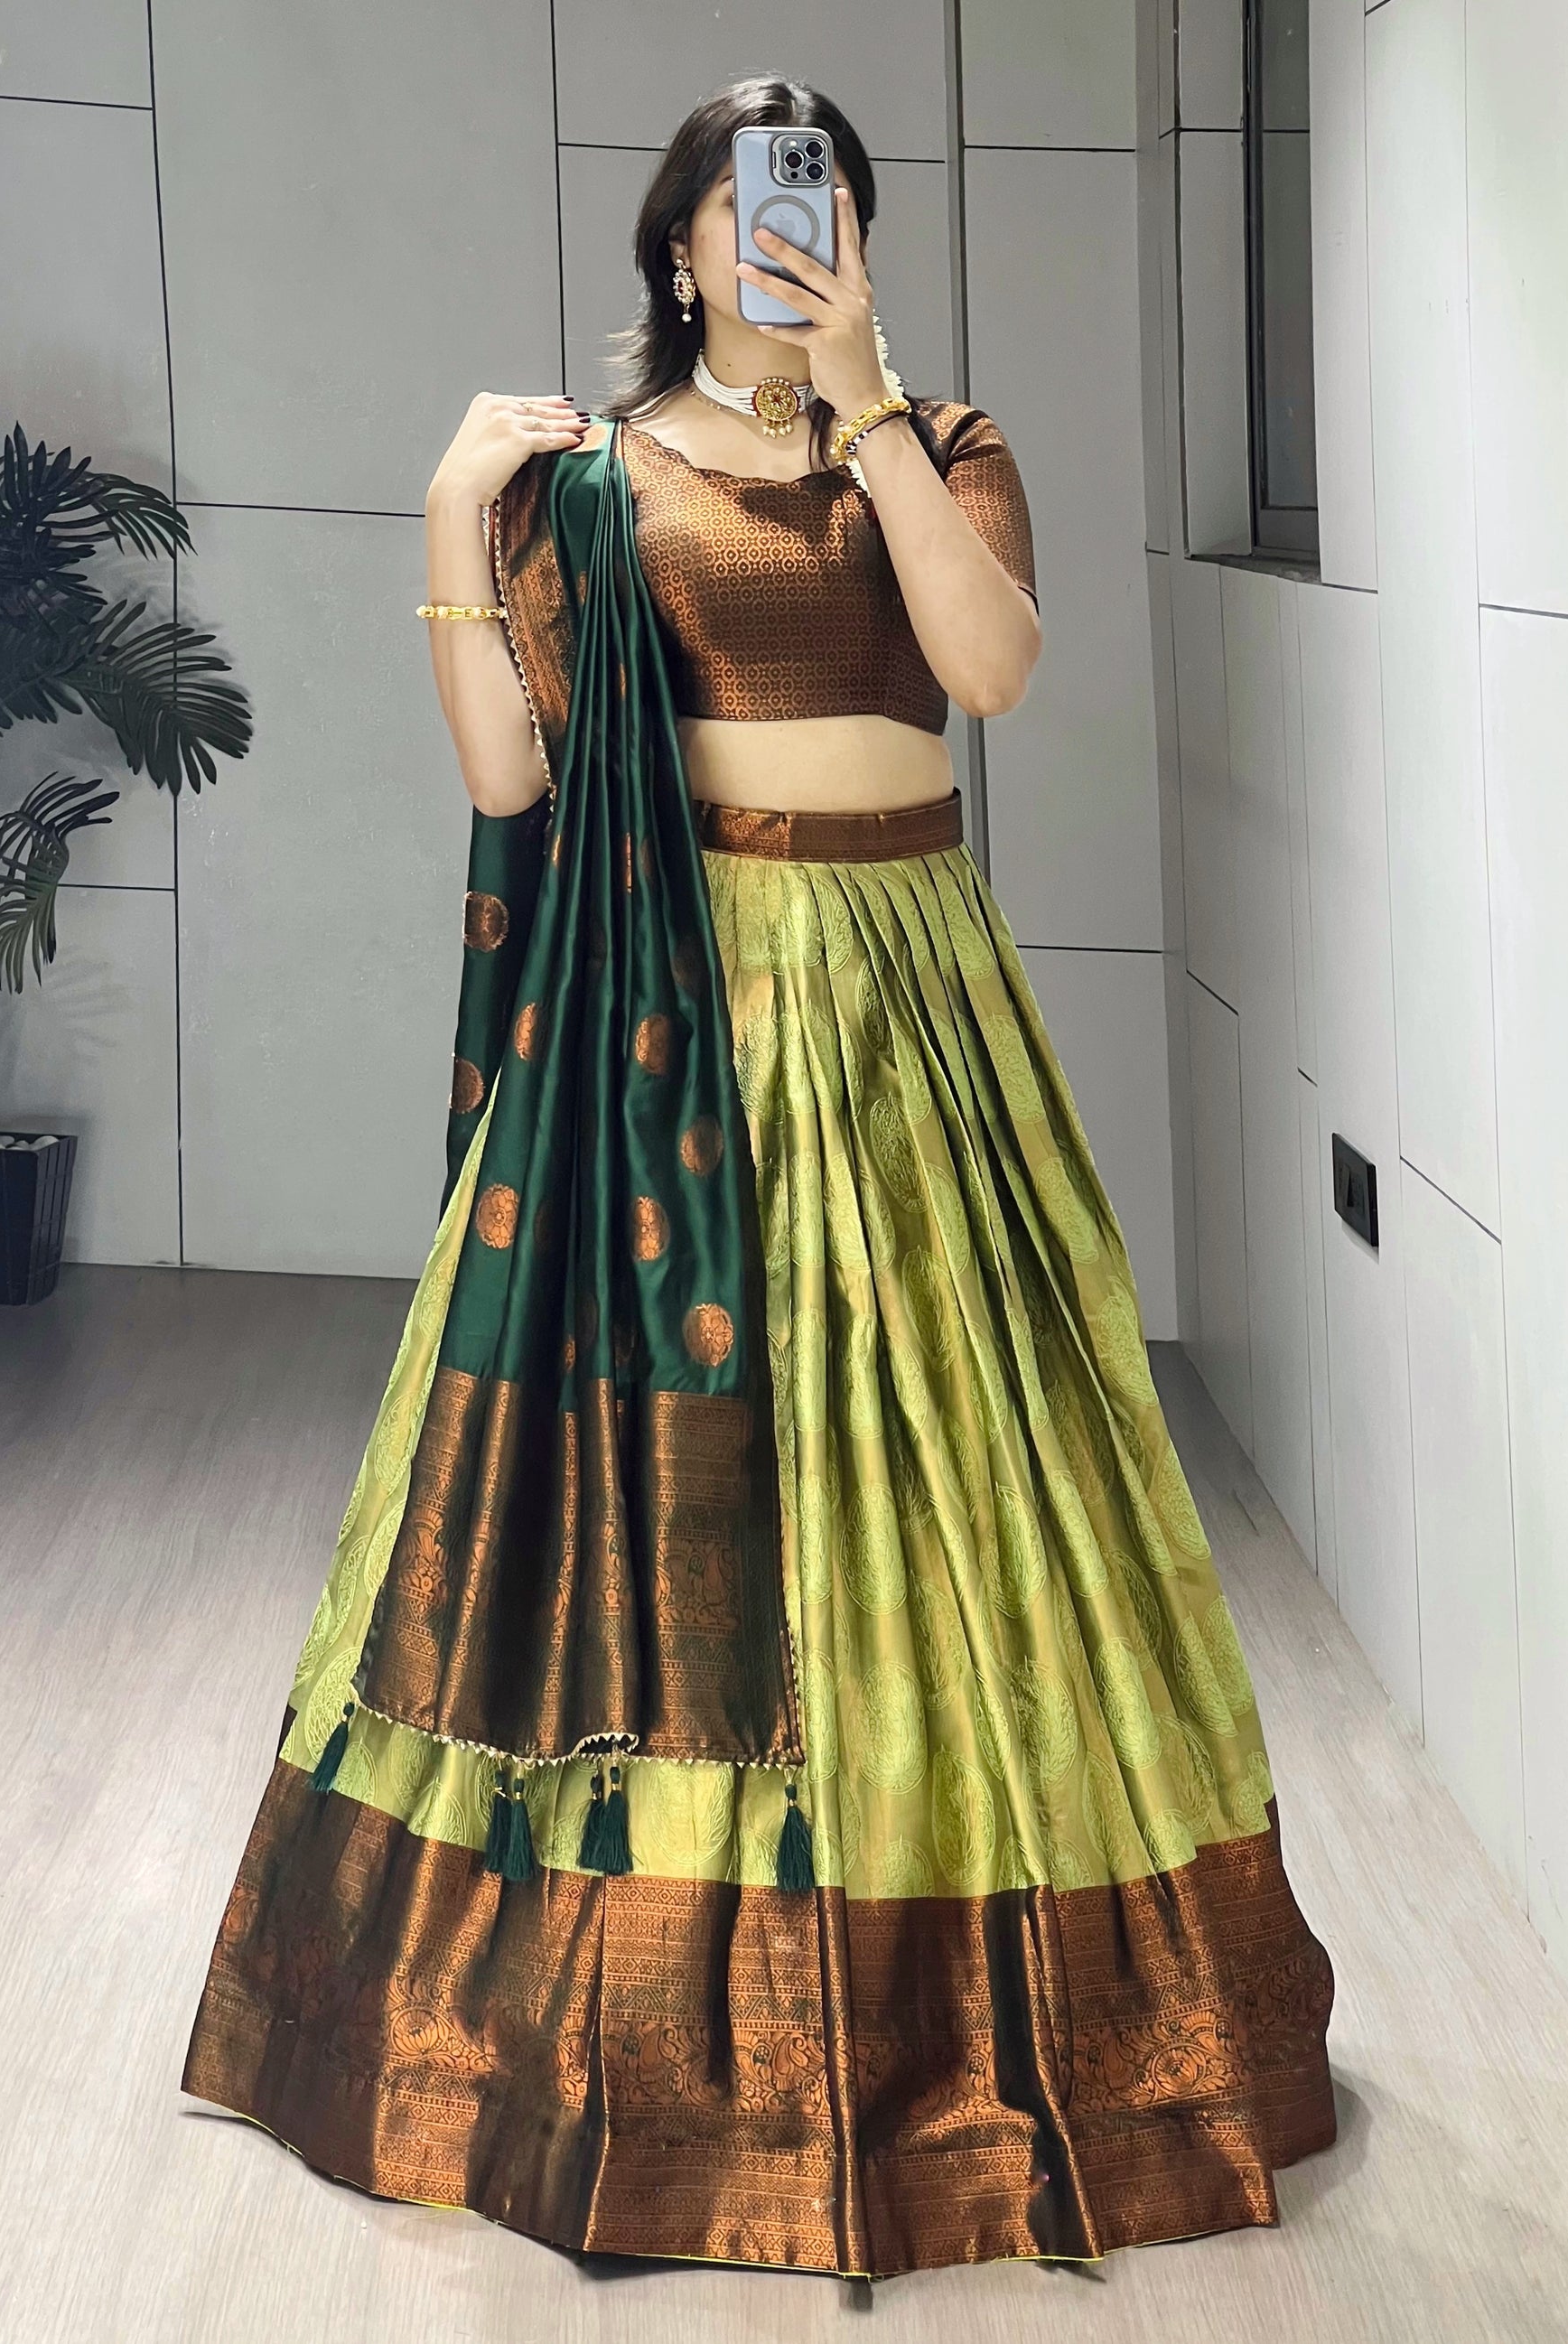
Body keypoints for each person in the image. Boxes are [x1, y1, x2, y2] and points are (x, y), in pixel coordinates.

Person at [183, 77, 1336, 2279]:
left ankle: (979, 2022)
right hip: (674, 1022)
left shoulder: (948, 443)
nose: (779, 234)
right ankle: (631, 2031)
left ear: (855, 240)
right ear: (676, 247)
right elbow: (510, 778)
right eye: (738, 205)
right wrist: (448, 519)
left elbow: (987, 670)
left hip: (909, 1007)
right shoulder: (591, 485)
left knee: (972, 1482)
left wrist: (870, 399)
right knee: (686, 1498)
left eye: (817, 203)